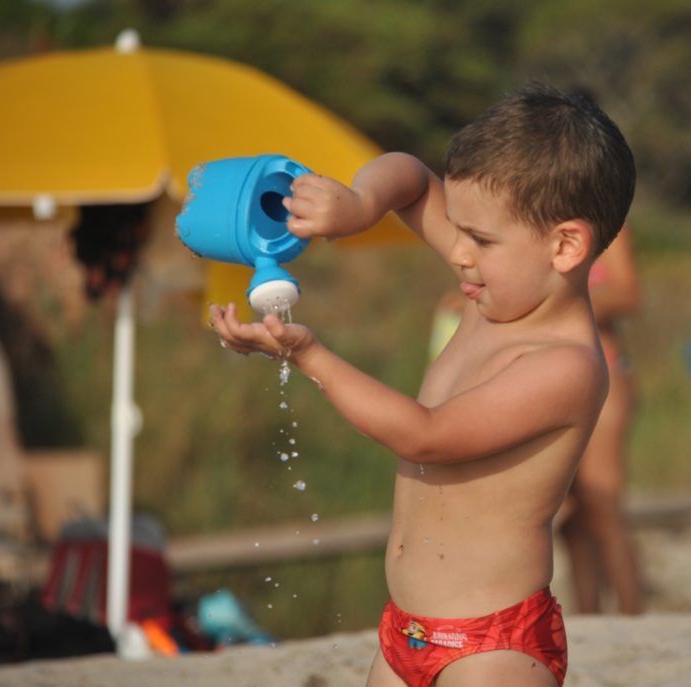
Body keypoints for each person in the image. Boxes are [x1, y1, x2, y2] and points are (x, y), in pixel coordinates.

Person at [210, 82, 635, 687]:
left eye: (481, 241)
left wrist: (311, 357)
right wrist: (360, 205)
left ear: (565, 245)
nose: (458, 254)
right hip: (404, 632)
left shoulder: (565, 365)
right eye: (457, 229)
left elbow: (426, 436)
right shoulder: (495, 291)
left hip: (492, 647)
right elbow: (407, 175)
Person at [559, 225, 644, 615]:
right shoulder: (534, 217)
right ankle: (590, 621)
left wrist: (561, 299)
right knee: (569, 515)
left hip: (604, 370)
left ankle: (631, 615)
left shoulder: (606, 225)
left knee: (603, 502)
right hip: (554, 380)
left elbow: (628, 293)